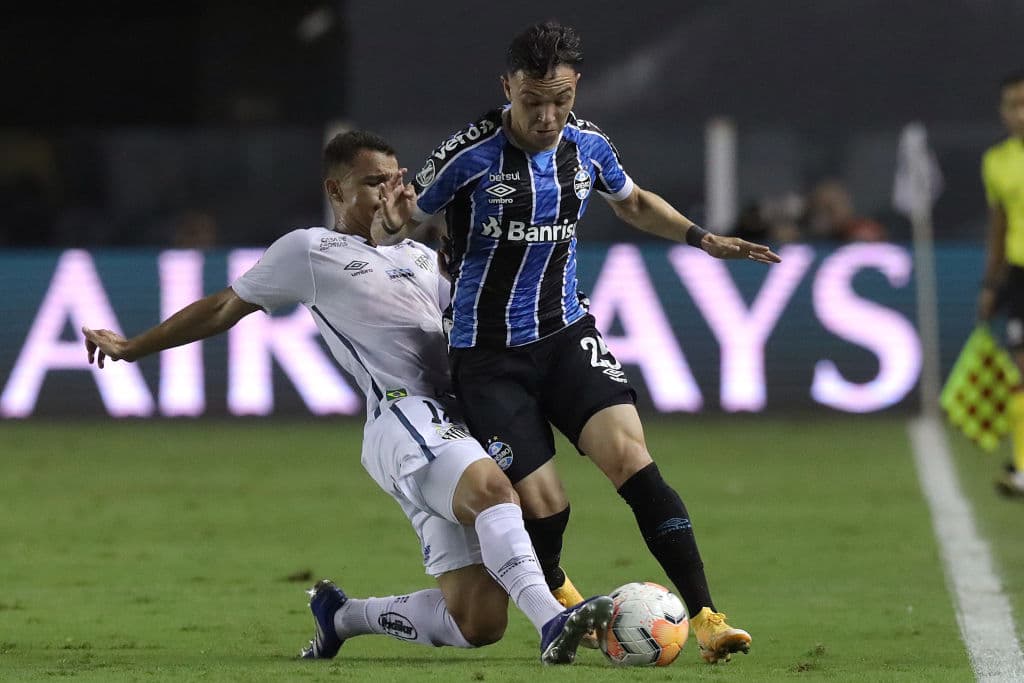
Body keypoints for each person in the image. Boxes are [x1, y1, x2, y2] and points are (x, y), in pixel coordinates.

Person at [81, 130, 613, 665]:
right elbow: (223, 307)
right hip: (405, 415)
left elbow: (479, 332)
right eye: (372, 183)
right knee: (495, 493)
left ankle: (342, 615)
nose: (389, 192)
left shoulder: (423, 257)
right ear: (335, 191)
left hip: (458, 422)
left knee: (477, 621)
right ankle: (551, 623)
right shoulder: (310, 250)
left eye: (395, 179)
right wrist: (133, 346)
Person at [375, 21, 780, 664]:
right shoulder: (468, 153)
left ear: (576, 89)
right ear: (507, 87)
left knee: (632, 459)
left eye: (560, 100)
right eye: (534, 101)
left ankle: (706, 617)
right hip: (488, 357)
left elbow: (634, 201)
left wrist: (706, 238)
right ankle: (566, 603)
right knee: (544, 506)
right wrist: (390, 224)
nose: (547, 116)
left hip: (566, 334)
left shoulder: (588, 145)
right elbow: (401, 217)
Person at [979, 70, 1024, 497]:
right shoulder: (997, 161)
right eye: (1013, 105)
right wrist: (991, 284)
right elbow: (999, 225)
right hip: (1020, 275)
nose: (1021, 113)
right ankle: (1023, 466)